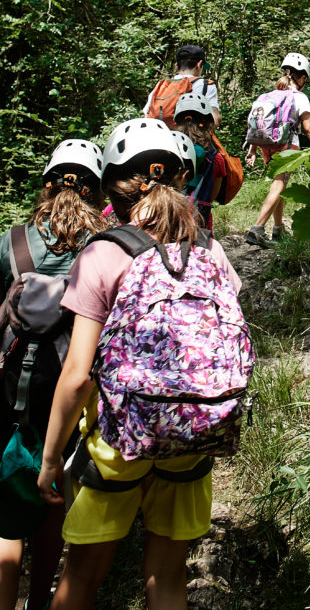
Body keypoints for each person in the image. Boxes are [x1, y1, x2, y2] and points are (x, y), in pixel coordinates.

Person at [36, 118, 243, 610]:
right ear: (182, 179)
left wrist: (50, 458)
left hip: (115, 442)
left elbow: (78, 376)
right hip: (190, 435)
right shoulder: (210, 250)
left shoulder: (103, 254)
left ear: (112, 187)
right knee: (168, 576)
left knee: (82, 574)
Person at [0, 139, 104, 610]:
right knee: (55, 489)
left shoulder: (12, 241)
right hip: (69, 388)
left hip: (9, 385)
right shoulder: (104, 247)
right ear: (96, 191)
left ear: (45, 185)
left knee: (7, 506)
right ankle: (39, 600)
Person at [245, 53, 310, 247]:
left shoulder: (268, 96)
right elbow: (308, 128)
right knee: (279, 184)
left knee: (279, 185)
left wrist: (252, 150)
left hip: (266, 145)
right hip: (287, 145)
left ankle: (278, 230)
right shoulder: (299, 97)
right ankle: (257, 228)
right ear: (301, 78)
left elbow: (258, 125)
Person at [172, 93, 226, 232]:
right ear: (207, 122)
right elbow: (212, 194)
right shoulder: (215, 156)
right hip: (198, 217)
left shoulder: (169, 147)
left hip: (168, 212)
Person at [143, 44, 220, 128]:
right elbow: (215, 120)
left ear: (177, 67)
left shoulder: (161, 86)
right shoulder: (206, 85)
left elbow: (146, 116)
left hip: (161, 134)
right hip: (189, 135)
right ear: (199, 65)